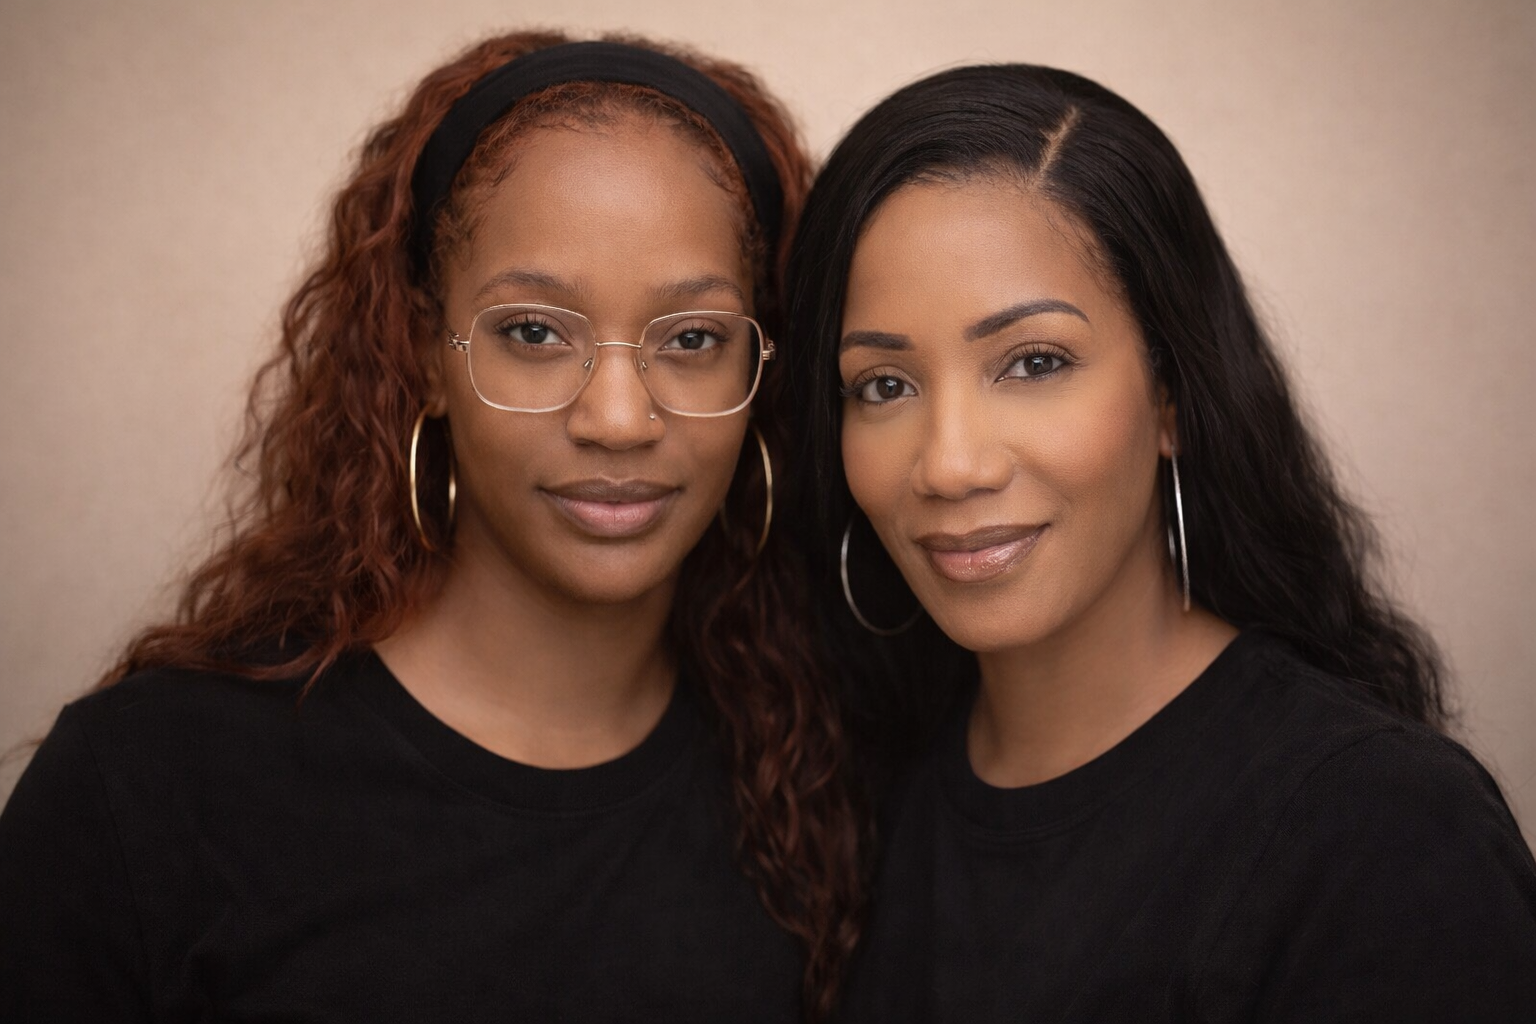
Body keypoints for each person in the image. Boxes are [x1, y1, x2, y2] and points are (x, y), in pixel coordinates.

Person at [0, 31, 862, 1022]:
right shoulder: (149, 787)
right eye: (533, 332)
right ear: (423, 354)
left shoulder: (822, 785)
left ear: (762, 371)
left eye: (694, 338)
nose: (619, 418)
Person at [782, 63, 1536, 1021]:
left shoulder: (1379, 829)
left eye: (1035, 362)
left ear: (1173, 395)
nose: (950, 465)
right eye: (883, 385)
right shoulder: (856, 802)